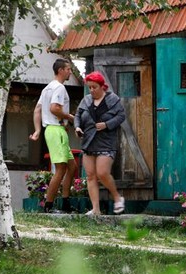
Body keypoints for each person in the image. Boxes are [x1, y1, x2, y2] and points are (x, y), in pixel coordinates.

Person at [29, 58, 78, 213]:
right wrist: (70, 117)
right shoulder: (59, 88)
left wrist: (37, 130)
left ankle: (65, 203)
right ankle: (49, 206)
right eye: (68, 69)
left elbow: (37, 110)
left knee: (72, 166)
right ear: (61, 70)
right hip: (56, 130)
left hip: (52, 130)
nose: (70, 71)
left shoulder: (47, 88)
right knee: (61, 169)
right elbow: (54, 109)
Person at [74, 71, 125, 216]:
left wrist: (107, 124)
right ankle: (96, 210)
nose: (91, 90)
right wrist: (77, 127)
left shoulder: (112, 99)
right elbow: (77, 115)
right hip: (89, 141)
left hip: (106, 142)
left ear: (102, 86)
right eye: (89, 87)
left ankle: (117, 197)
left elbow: (121, 116)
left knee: (102, 173)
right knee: (90, 176)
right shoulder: (86, 100)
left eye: (94, 87)